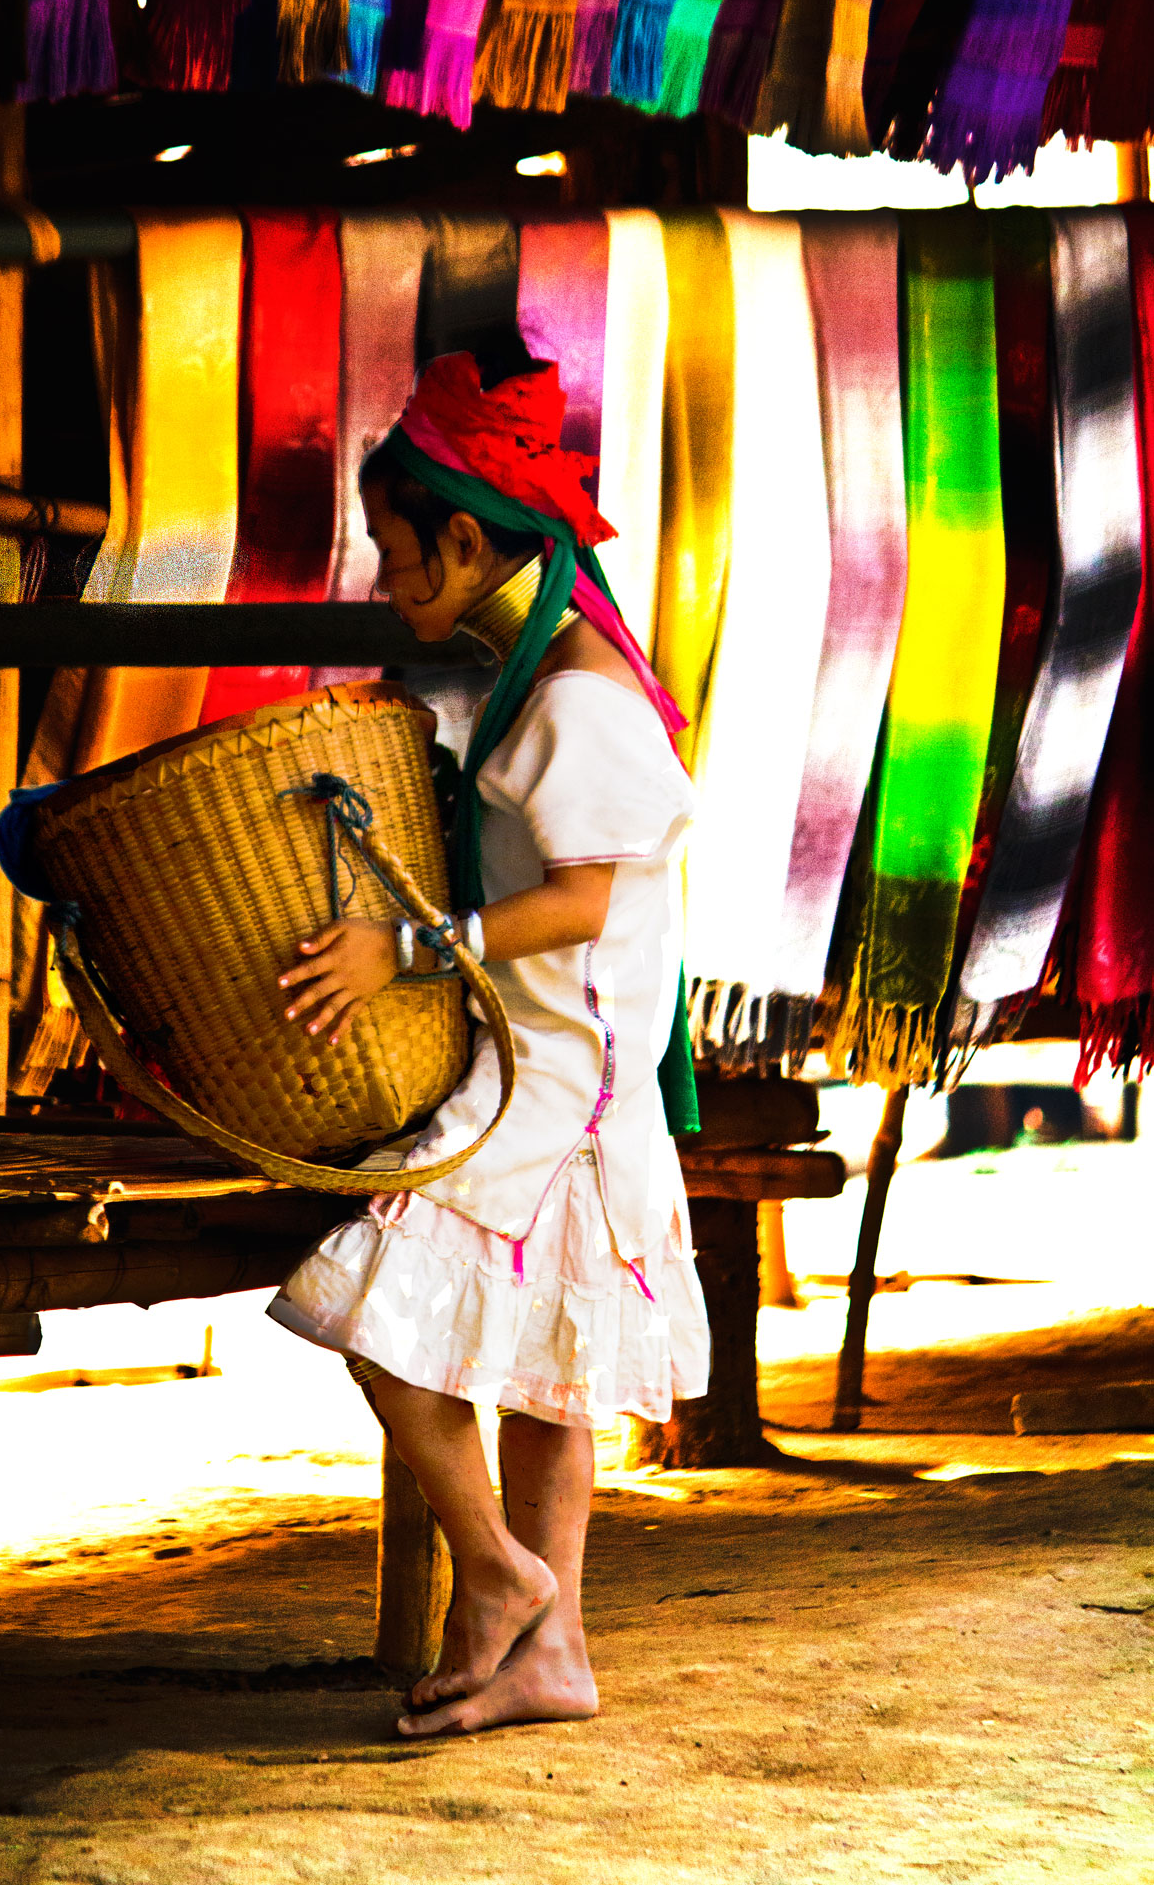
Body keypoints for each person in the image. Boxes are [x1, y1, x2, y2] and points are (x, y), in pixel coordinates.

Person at [267, 346, 709, 1737]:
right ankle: (551, 1651)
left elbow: (582, 902)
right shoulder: (552, 679)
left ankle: (505, 1574)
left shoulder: (578, 697)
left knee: (362, 1306)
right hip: (562, 1079)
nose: (387, 581)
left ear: (465, 540)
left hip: (559, 1088)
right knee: (548, 1371)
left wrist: (401, 947)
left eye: (396, 554)